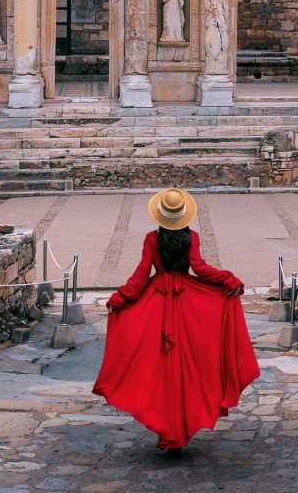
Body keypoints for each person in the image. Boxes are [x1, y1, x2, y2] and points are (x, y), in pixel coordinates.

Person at [94, 188, 261, 454]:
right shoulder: (191, 237)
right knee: (189, 363)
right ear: (184, 216)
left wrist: (121, 298)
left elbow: (140, 274)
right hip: (186, 300)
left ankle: (167, 427)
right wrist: (227, 278)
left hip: (157, 300)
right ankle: (182, 424)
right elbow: (200, 268)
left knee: (158, 366)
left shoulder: (151, 238)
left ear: (160, 215)